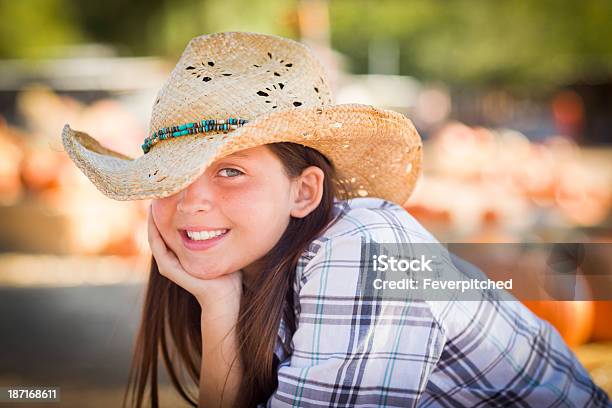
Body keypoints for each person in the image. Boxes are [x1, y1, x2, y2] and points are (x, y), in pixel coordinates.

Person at [62, 32, 610, 408]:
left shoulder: (364, 250)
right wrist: (219, 303)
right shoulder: (252, 274)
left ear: (304, 192)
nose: (190, 201)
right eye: (171, 177)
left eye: (229, 171)